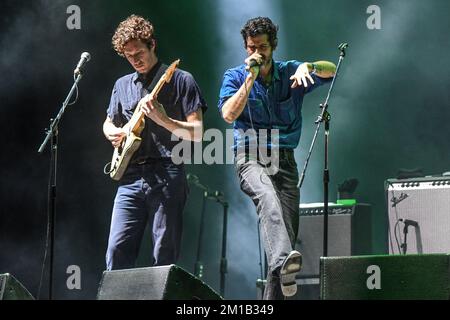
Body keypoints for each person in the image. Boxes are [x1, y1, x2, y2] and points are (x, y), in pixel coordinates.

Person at [218, 17, 336, 300]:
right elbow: (228, 115)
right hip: (250, 157)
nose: (256, 53)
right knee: (268, 202)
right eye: (250, 48)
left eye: (262, 47)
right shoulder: (235, 76)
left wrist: (311, 66)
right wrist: (250, 78)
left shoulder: (291, 72)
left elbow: (331, 71)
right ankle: (284, 259)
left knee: (283, 235)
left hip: (285, 161)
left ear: (274, 46)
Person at [103, 15, 206, 271]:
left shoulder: (181, 79)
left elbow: (197, 132)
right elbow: (107, 122)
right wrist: (114, 132)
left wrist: (163, 119)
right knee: (117, 250)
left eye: (139, 52)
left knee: (163, 254)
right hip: (130, 176)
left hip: (168, 172)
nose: (135, 59)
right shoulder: (122, 85)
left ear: (153, 45)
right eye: (129, 56)